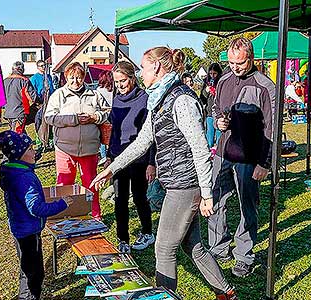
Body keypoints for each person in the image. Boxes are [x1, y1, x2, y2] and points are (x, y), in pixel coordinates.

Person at [91, 47, 237, 300]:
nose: (140, 72)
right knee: (193, 245)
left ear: (157, 67)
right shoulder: (159, 98)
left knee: (164, 248)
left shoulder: (181, 99)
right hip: (176, 181)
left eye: (143, 67)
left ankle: (163, 297)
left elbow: (201, 149)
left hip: (185, 184)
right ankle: (227, 293)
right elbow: (141, 142)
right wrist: (112, 168)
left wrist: (206, 193)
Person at [209, 37, 275, 278]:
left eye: (240, 62)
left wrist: (264, 163)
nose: (234, 66)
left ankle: (244, 255)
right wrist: (218, 121)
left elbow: (272, 128)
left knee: (248, 205)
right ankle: (218, 247)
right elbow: (215, 108)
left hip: (250, 158)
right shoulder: (224, 79)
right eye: (231, 61)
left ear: (251, 58)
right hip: (223, 152)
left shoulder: (265, 86)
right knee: (216, 200)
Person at [0, 130, 72, 300]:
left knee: (27, 266)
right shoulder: (24, 178)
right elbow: (36, 208)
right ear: (20, 155)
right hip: (28, 230)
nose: (34, 152)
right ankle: (29, 296)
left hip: (20, 227)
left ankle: (28, 293)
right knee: (34, 272)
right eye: (30, 149)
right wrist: (62, 204)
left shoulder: (12, 171)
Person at [45, 62, 110, 220]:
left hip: (89, 148)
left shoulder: (94, 95)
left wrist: (95, 117)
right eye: (72, 78)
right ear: (66, 77)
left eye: (79, 78)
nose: (75, 81)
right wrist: (74, 119)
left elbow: (107, 111)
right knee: (65, 183)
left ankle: (95, 214)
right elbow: (49, 117)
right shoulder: (59, 95)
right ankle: (64, 213)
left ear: (84, 78)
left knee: (90, 183)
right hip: (65, 148)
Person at [107, 61, 155, 253]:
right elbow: (114, 130)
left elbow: (151, 135)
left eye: (123, 80)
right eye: (116, 81)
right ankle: (123, 238)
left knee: (140, 197)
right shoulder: (116, 99)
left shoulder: (145, 99)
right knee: (120, 199)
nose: (120, 85)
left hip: (140, 158)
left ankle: (147, 231)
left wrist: (151, 163)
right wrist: (110, 155)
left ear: (132, 78)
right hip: (119, 156)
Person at [3, 61, 40, 134]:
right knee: (18, 135)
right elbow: (32, 97)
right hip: (19, 112)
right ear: (22, 69)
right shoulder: (24, 81)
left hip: (8, 112)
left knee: (16, 132)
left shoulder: (5, 81)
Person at [200, 63, 223, 149]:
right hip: (209, 113)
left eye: (214, 73)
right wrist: (206, 91)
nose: (212, 76)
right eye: (210, 73)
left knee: (219, 138)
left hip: (219, 114)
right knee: (209, 139)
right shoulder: (206, 82)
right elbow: (202, 99)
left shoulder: (221, 82)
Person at [96, 70, 114, 165]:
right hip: (114, 113)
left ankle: (103, 156)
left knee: (102, 136)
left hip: (104, 115)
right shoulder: (114, 90)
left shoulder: (99, 90)